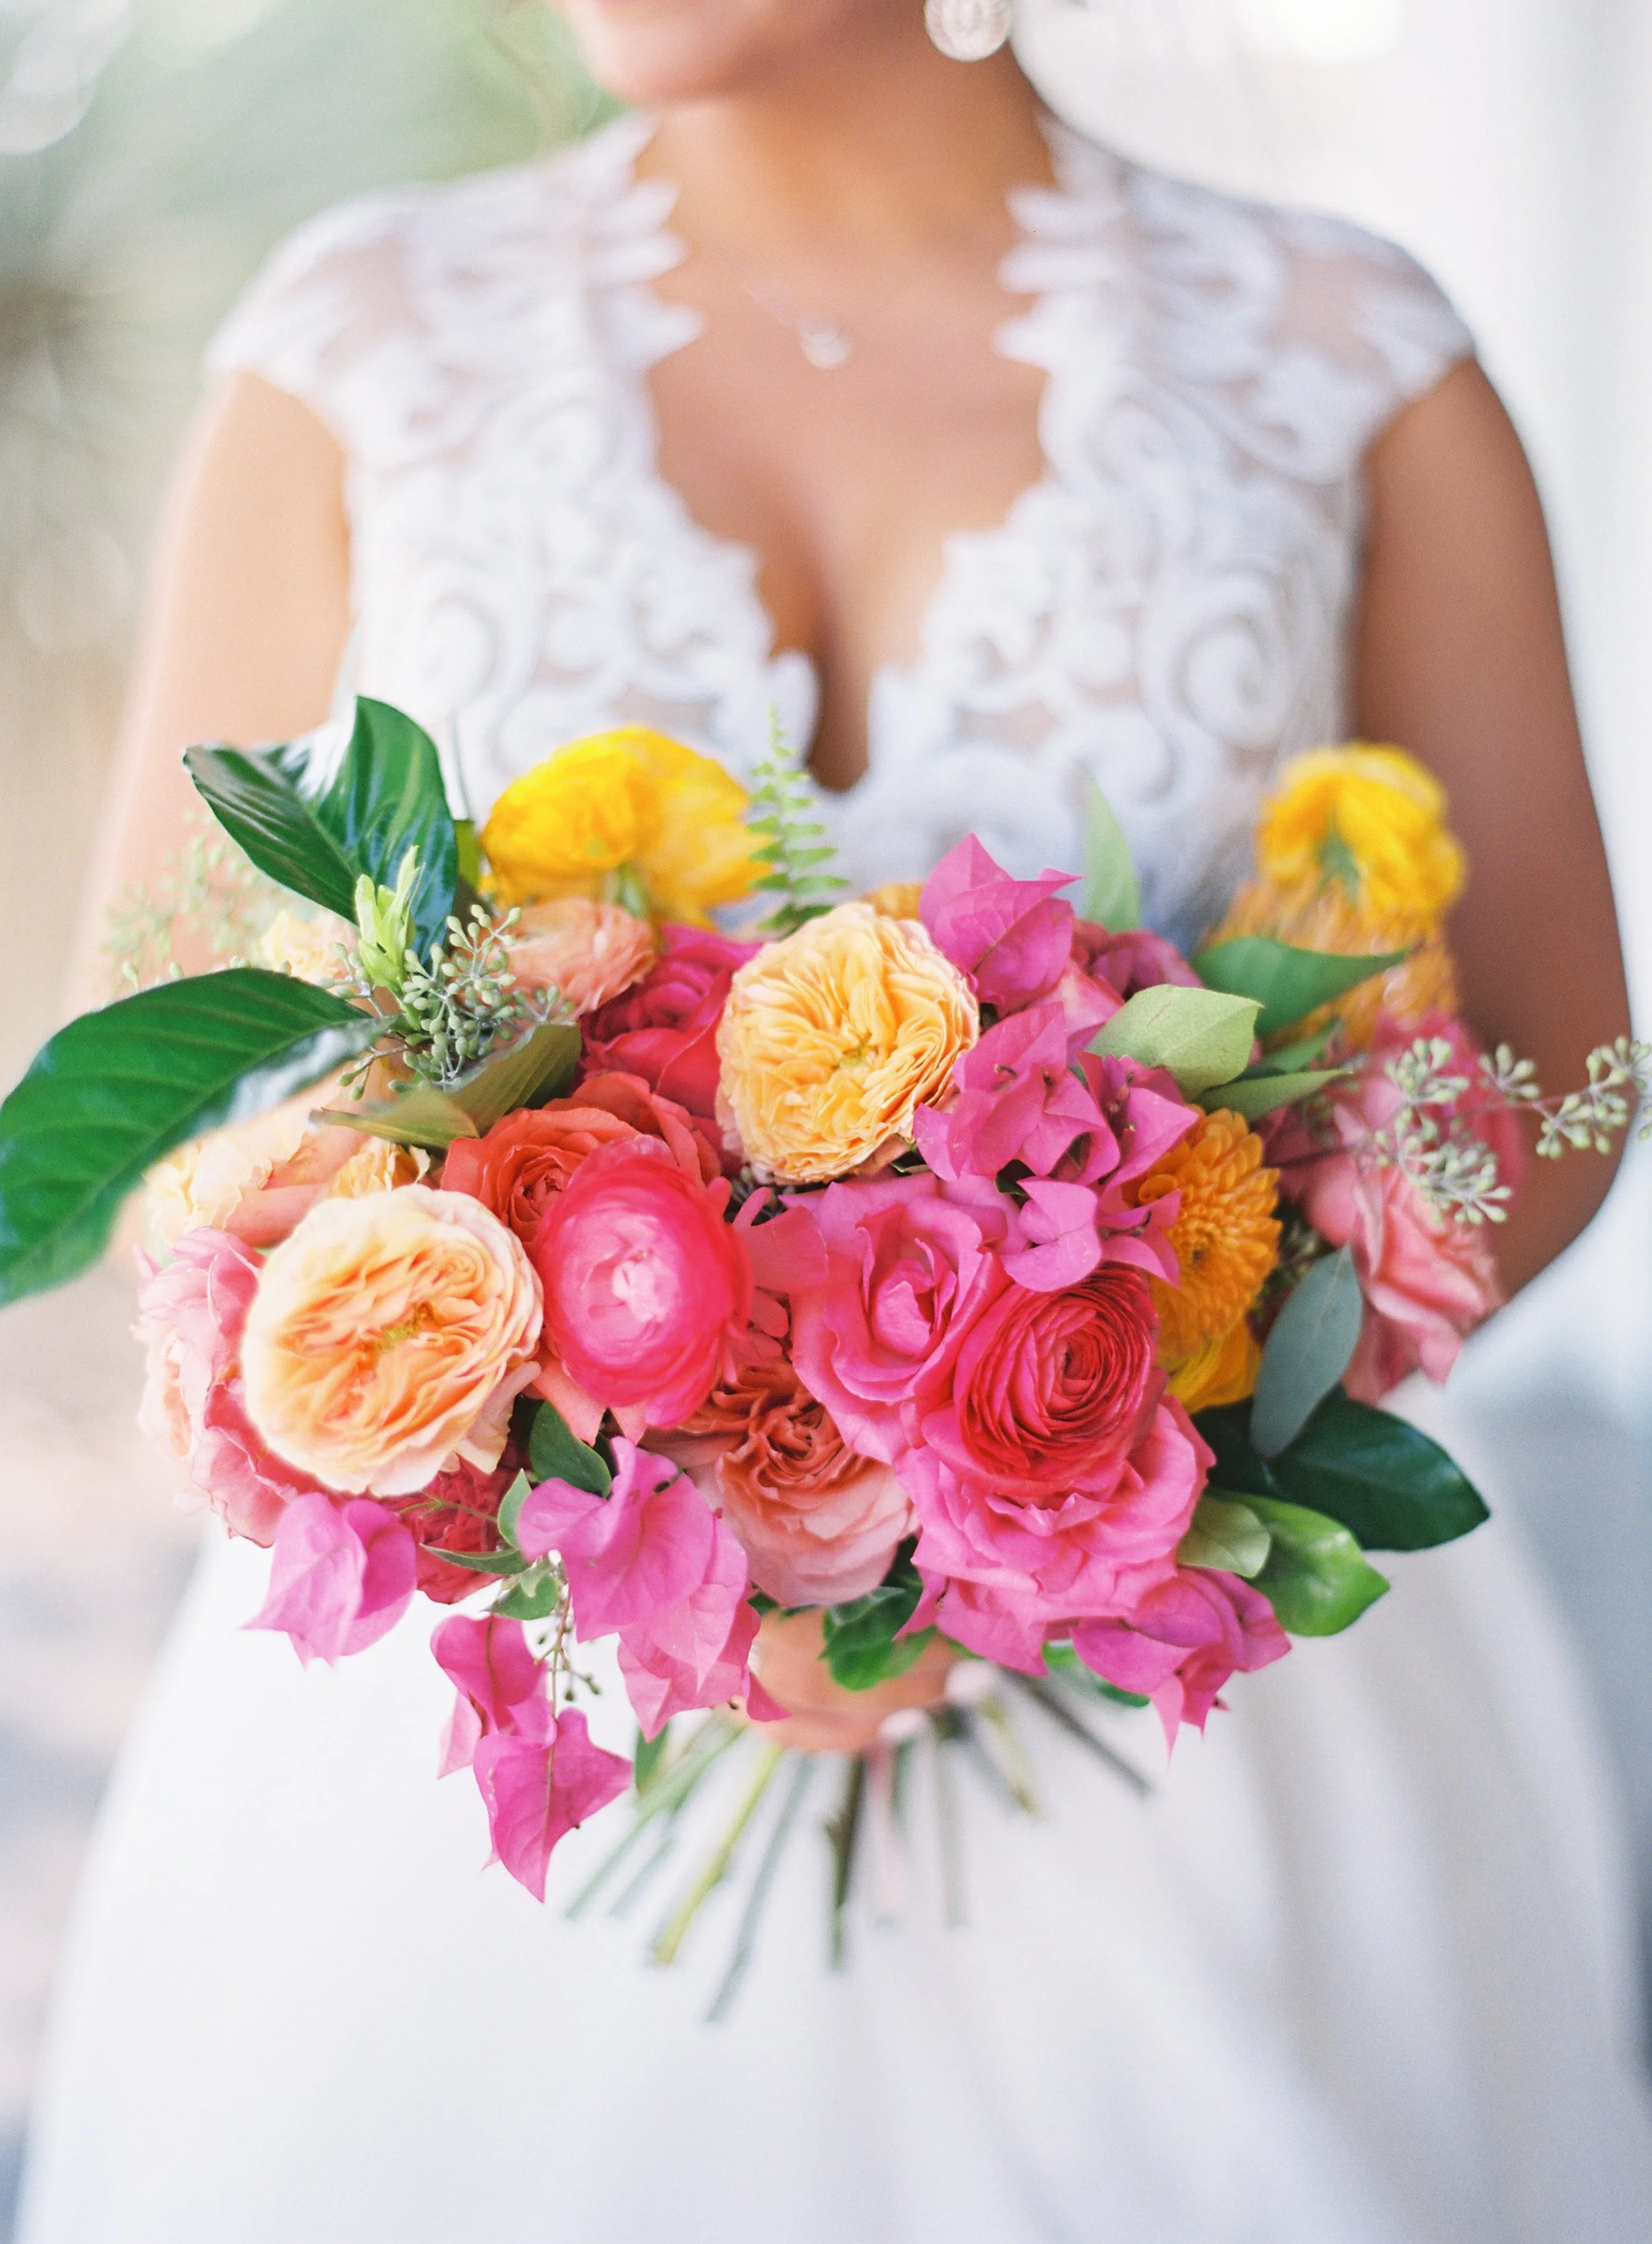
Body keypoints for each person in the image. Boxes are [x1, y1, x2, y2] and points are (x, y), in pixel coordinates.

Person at [19, 3, 1652, 2238]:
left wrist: (1067, 1483)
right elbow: (163, 1078)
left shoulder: (1349, 365)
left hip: (1196, 1743)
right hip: (510, 1770)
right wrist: (605, 1482)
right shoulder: (361, 345)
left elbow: (1560, 1069)